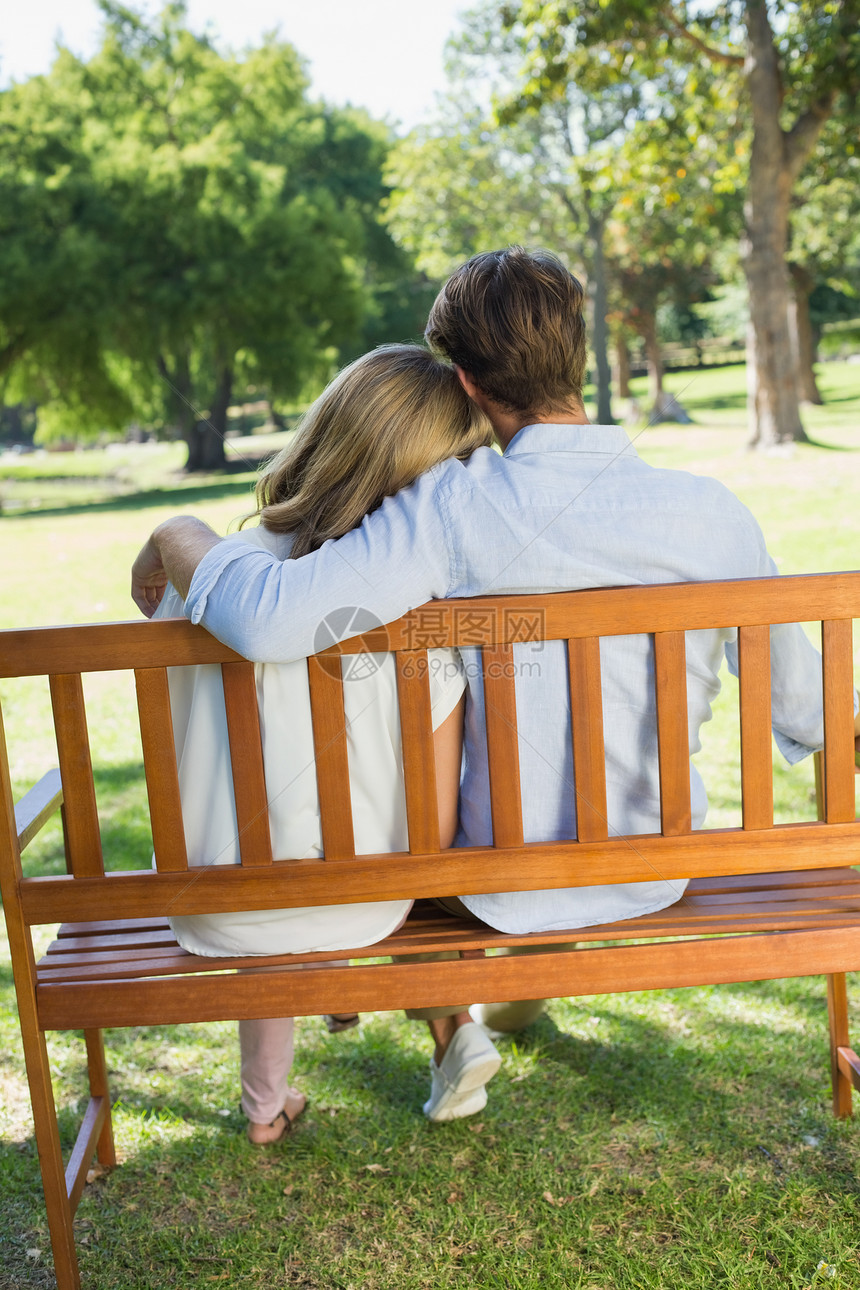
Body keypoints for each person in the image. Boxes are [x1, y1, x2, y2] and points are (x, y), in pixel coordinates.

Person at [132, 246, 841, 1059]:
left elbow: (266, 620)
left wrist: (174, 531)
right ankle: (517, 999)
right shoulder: (713, 514)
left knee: (475, 843)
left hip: (502, 890)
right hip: (655, 868)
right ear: (577, 355)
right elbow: (811, 714)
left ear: (466, 382)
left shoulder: (450, 508)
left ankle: (491, 1007)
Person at [142, 344, 502, 1141]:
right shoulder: (420, 618)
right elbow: (431, 831)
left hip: (209, 900)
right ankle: (446, 1019)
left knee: (272, 862)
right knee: (405, 857)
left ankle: (266, 1106)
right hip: (362, 901)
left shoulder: (203, 580)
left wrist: (175, 529)